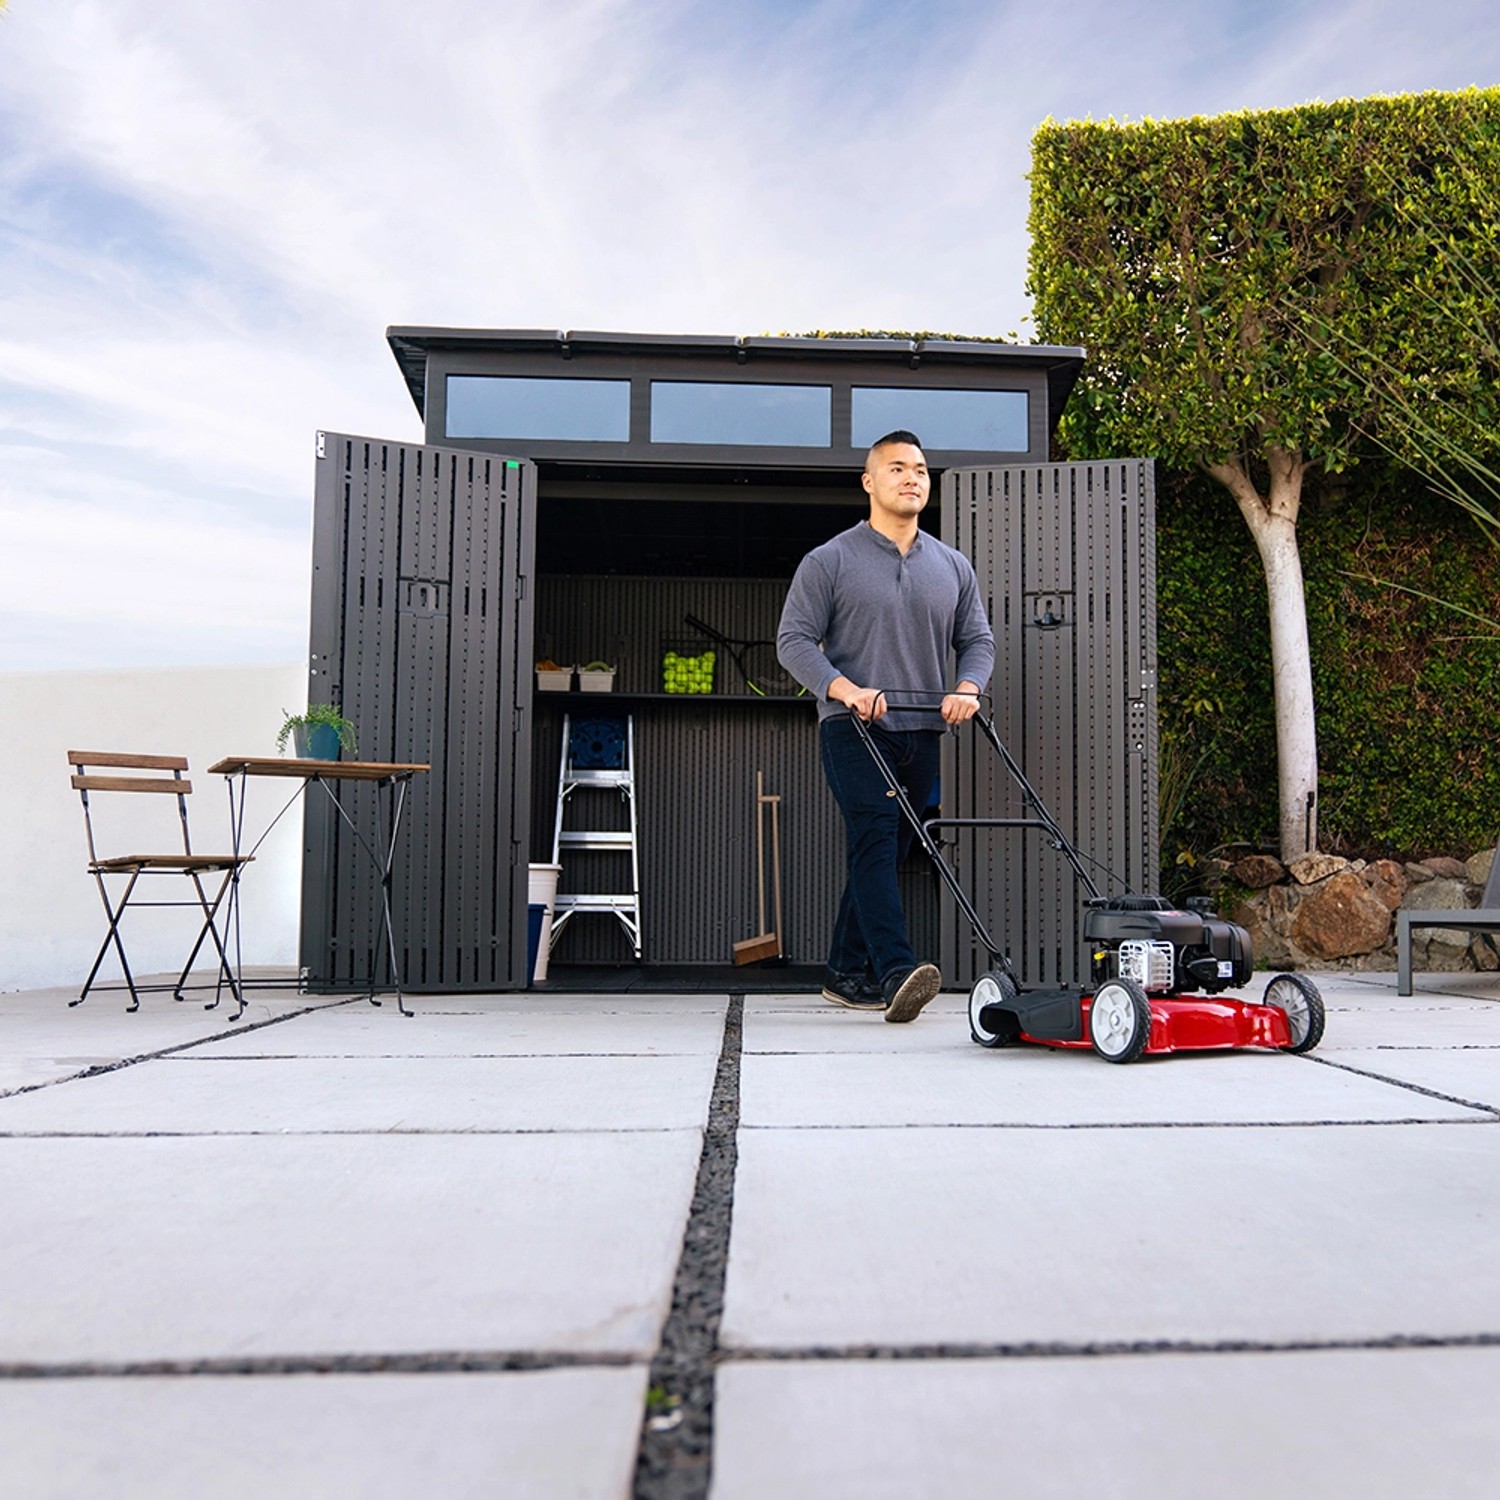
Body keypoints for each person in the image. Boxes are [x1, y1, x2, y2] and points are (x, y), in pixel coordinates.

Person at [776, 430, 995, 1022]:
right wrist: (845, 690)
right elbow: (792, 641)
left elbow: (977, 641)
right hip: (852, 727)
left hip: (923, 731)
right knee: (874, 834)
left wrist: (968, 688)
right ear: (869, 482)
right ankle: (896, 970)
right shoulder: (829, 561)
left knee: (889, 849)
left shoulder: (952, 567)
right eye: (897, 468)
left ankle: (846, 974)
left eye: (921, 469)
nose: (912, 477)